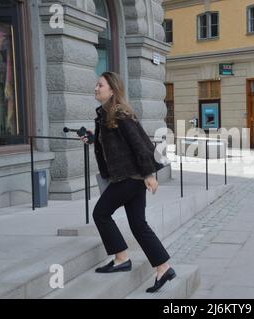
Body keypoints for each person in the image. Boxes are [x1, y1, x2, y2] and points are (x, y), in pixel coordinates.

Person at [80, 71, 175, 293]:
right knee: (138, 224)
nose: (96, 88)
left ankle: (121, 258)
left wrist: (150, 175)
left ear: (112, 89)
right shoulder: (106, 115)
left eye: (100, 85)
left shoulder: (121, 114)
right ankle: (163, 267)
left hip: (130, 177)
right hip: (130, 177)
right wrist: (93, 139)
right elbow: (114, 145)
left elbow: (140, 145)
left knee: (100, 214)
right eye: (96, 85)